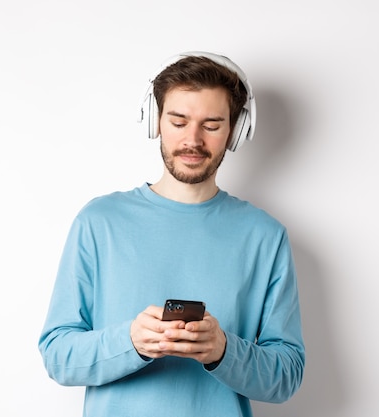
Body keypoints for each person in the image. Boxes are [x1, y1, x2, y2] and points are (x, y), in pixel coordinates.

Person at [38, 51, 305, 416]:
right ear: (155, 122)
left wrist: (223, 350)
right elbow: (57, 356)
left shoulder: (265, 236)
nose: (192, 140)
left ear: (235, 131)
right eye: (178, 122)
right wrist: (131, 341)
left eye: (211, 125)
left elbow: (287, 375)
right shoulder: (99, 222)